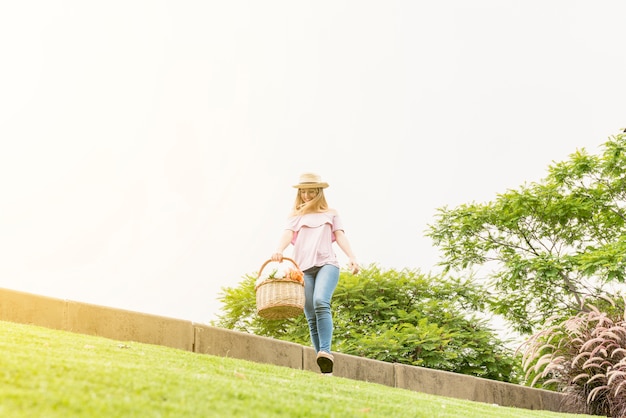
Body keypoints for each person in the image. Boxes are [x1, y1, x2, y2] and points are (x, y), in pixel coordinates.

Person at [271, 173, 359, 376]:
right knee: (310, 315)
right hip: (303, 270)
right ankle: (324, 365)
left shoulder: (331, 213)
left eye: (311, 191)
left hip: (327, 264)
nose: (307, 195)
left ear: (319, 192)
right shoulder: (295, 216)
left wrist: (352, 257)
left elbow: (340, 235)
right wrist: (279, 250)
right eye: (303, 191)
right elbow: (286, 234)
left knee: (321, 302)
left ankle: (326, 351)